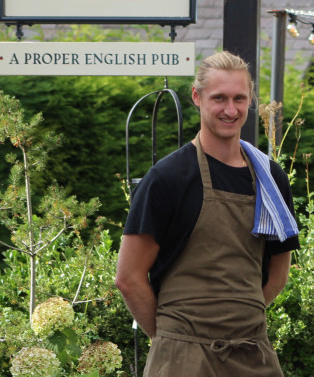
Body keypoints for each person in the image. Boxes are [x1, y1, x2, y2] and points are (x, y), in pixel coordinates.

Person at [115, 51, 300, 376]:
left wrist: (241, 319)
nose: (231, 110)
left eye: (240, 99)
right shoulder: (168, 179)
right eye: (220, 98)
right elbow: (128, 278)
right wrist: (171, 338)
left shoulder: (270, 178)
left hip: (252, 356)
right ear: (197, 97)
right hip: (182, 359)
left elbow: (279, 270)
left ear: (250, 100)